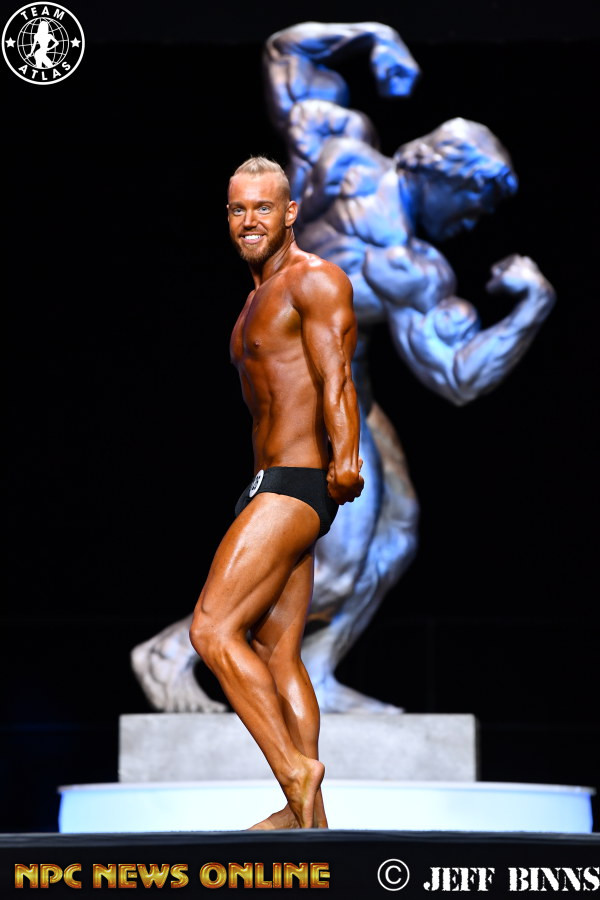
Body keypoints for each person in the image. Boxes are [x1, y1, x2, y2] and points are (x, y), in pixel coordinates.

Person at [188, 156, 364, 830]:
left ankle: (296, 775)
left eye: (262, 207)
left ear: (290, 212)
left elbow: (336, 372)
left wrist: (345, 456)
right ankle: (310, 823)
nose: (249, 220)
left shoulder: (314, 279)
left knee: (212, 629)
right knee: (275, 653)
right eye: (238, 209)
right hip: (269, 482)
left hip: (297, 482)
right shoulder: (251, 303)